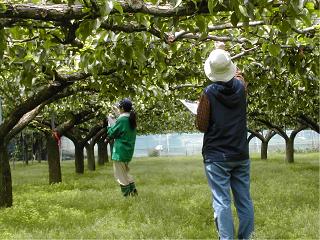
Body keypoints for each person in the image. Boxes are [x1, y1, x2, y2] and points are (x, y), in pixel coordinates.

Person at [196, 44, 254, 239]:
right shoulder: (241, 88)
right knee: (244, 200)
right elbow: (239, 76)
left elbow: (202, 125)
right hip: (240, 153)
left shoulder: (208, 93)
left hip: (216, 156)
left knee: (221, 202)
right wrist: (223, 53)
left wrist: (199, 108)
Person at [106, 98, 138, 197]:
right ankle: (133, 193)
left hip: (120, 151)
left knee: (120, 176)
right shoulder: (131, 118)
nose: (118, 109)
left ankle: (127, 197)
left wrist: (109, 124)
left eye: (119, 107)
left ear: (122, 108)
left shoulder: (122, 119)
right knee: (126, 173)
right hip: (128, 152)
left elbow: (112, 133)